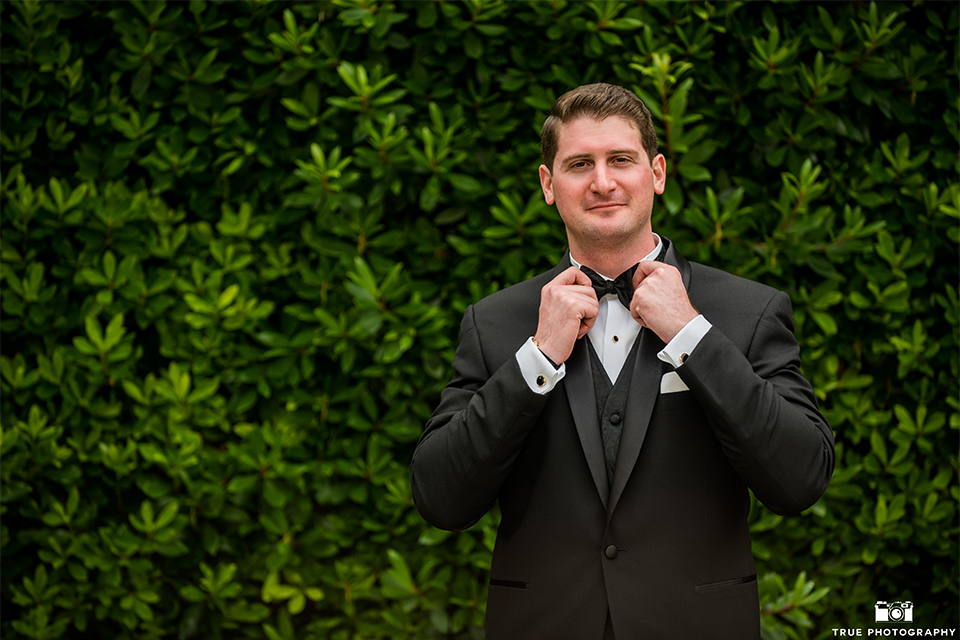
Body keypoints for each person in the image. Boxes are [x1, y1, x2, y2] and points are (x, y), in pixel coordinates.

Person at [410, 83, 834, 639]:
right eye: (580, 163)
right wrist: (536, 358)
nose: (603, 181)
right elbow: (441, 497)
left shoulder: (747, 312)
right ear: (548, 185)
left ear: (656, 173)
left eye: (621, 160)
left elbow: (800, 478)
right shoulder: (496, 323)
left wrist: (691, 336)